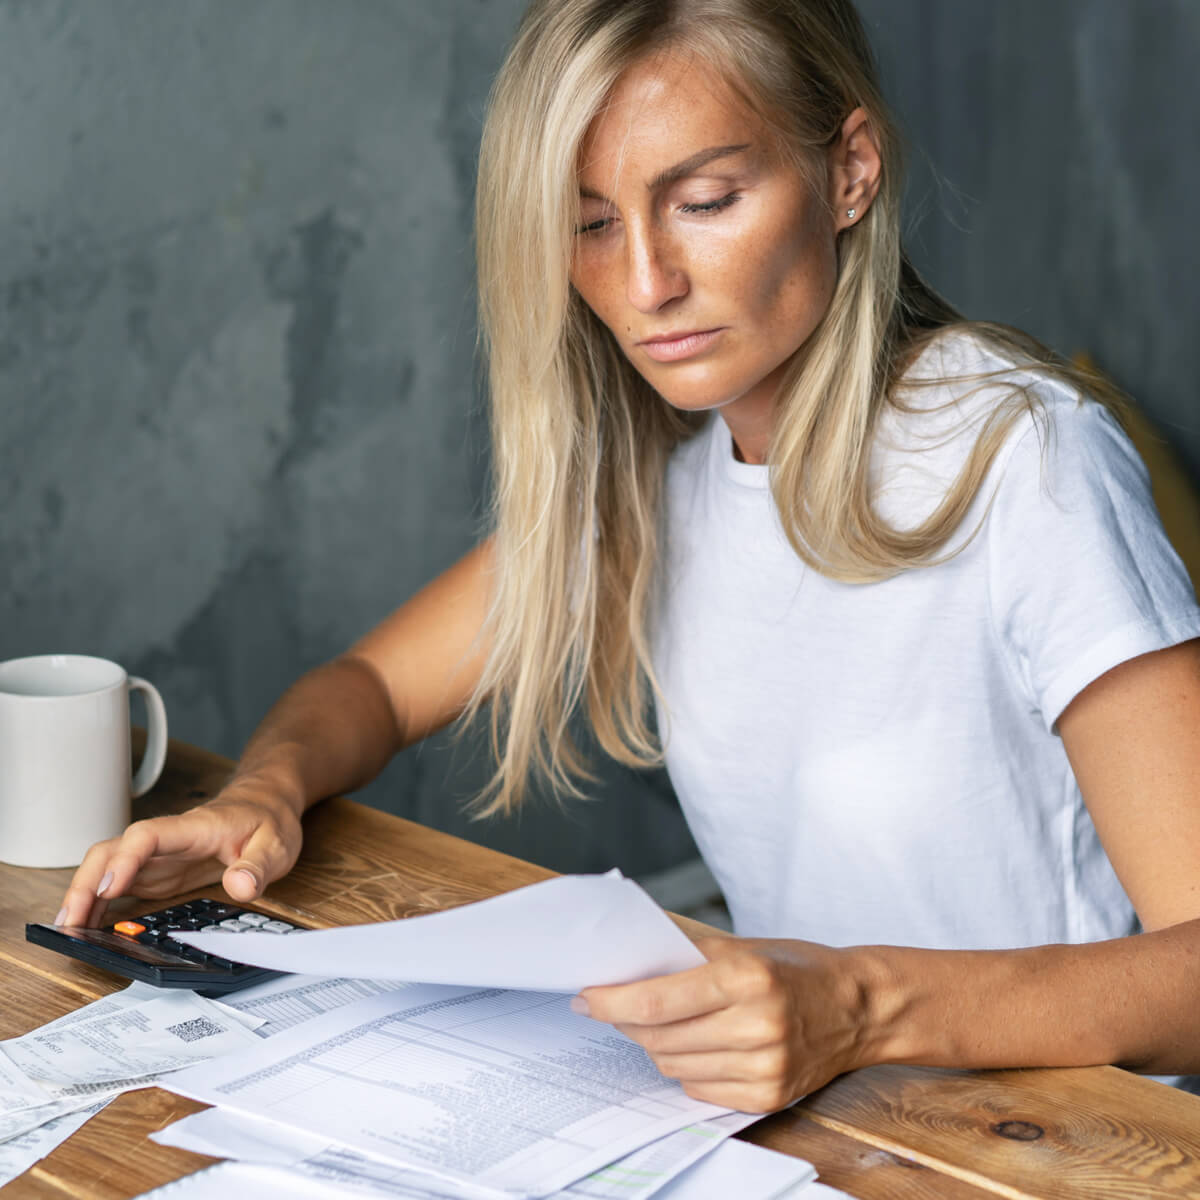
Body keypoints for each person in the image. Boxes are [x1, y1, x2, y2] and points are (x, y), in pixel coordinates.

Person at [59, 0, 1200, 1113]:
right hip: (832, 1134)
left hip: (1080, 1148)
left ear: (850, 171)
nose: (646, 283)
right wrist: (263, 794)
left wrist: (856, 1005)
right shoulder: (664, 486)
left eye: (703, 200)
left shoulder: (1024, 458)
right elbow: (365, 687)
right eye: (593, 222)